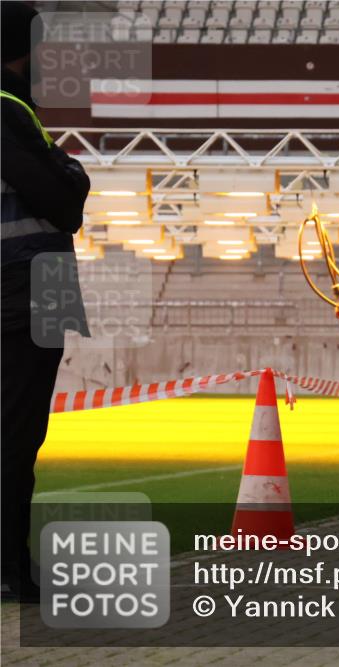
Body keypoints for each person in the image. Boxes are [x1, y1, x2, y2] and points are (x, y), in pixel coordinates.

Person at [1, 2, 91, 602]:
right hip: (26, 281)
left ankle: (13, 566)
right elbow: (66, 201)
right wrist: (72, 174)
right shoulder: (9, 109)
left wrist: (69, 177)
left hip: (39, 281)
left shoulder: (24, 113)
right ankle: (10, 569)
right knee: (16, 431)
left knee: (24, 431)